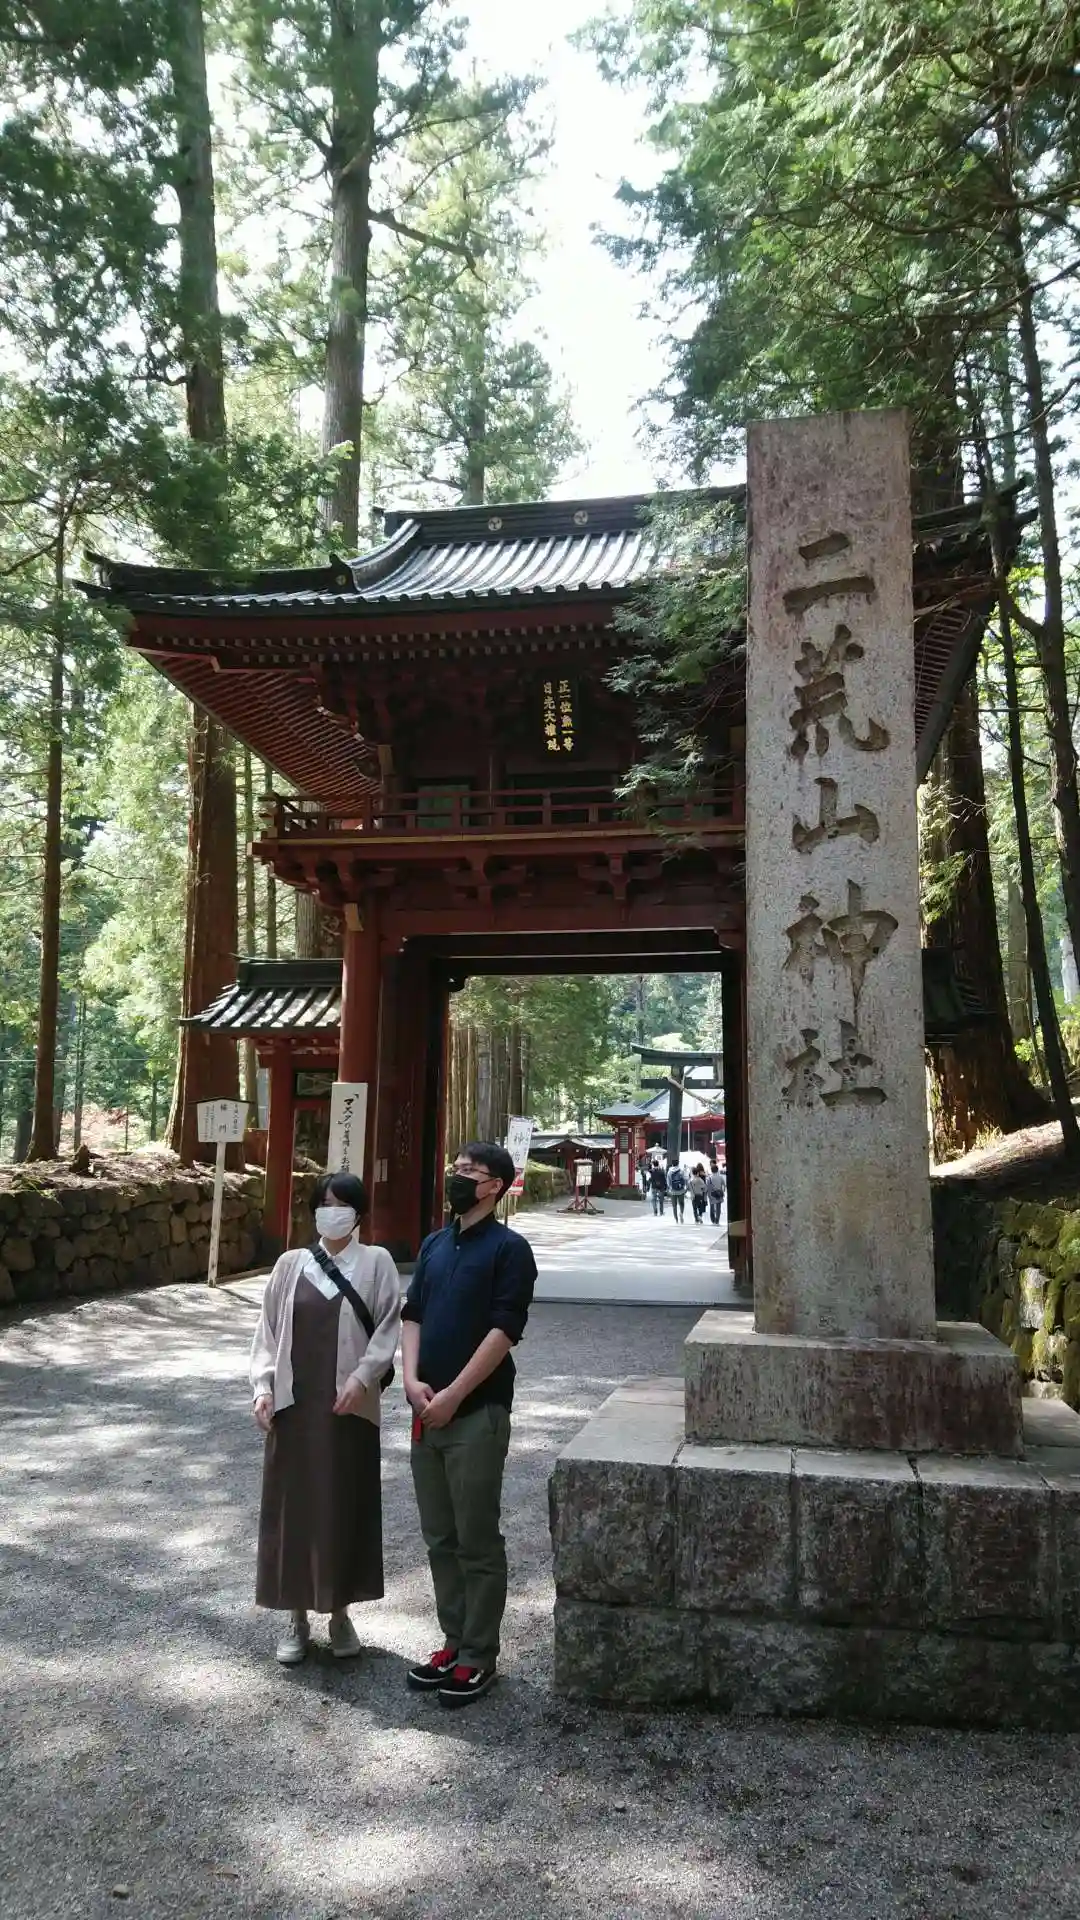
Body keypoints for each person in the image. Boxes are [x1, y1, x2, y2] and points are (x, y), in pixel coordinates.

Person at [402, 1141, 537, 1708]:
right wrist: (410, 1380)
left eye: (468, 1172)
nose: (456, 1178)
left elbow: (505, 1330)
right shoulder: (435, 1243)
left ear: (495, 1185)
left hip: (477, 1412)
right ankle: (453, 1641)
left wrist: (455, 1395)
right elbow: (412, 1314)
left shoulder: (510, 1250)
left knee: (476, 1539)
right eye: (454, 1168)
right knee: (440, 1537)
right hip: (426, 1409)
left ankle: (479, 1654)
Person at [250, 1171, 401, 1666]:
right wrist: (262, 1387)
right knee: (293, 1509)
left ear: (359, 1214)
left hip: (348, 1408)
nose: (331, 1211)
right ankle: (295, 1618)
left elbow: (388, 1328)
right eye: (324, 1203)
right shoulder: (290, 1264)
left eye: (341, 1204)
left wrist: (362, 1377)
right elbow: (267, 1332)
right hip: (294, 1409)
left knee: (343, 1505)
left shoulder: (376, 1263)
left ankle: (339, 1613)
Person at [705, 1159, 727, 1227]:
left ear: (711, 1170)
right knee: (718, 1208)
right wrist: (722, 1191)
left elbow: (707, 1187)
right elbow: (724, 1184)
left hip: (712, 1194)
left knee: (712, 1207)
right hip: (719, 1193)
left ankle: (713, 1220)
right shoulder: (720, 1177)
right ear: (717, 1170)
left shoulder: (709, 1178)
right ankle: (717, 1220)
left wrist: (707, 1195)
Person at [667, 1158, 687, 1223]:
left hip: (673, 1191)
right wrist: (684, 1187)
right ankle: (681, 1213)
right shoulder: (681, 1171)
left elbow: (668, 1182)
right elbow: (685, 1179)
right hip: (681, 1190)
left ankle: (676, 1219)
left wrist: (670, 1188)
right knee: (682, 1204)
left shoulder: (669, 1172)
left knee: (674, 1206)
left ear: (672, 1164)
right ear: (678, 1163)